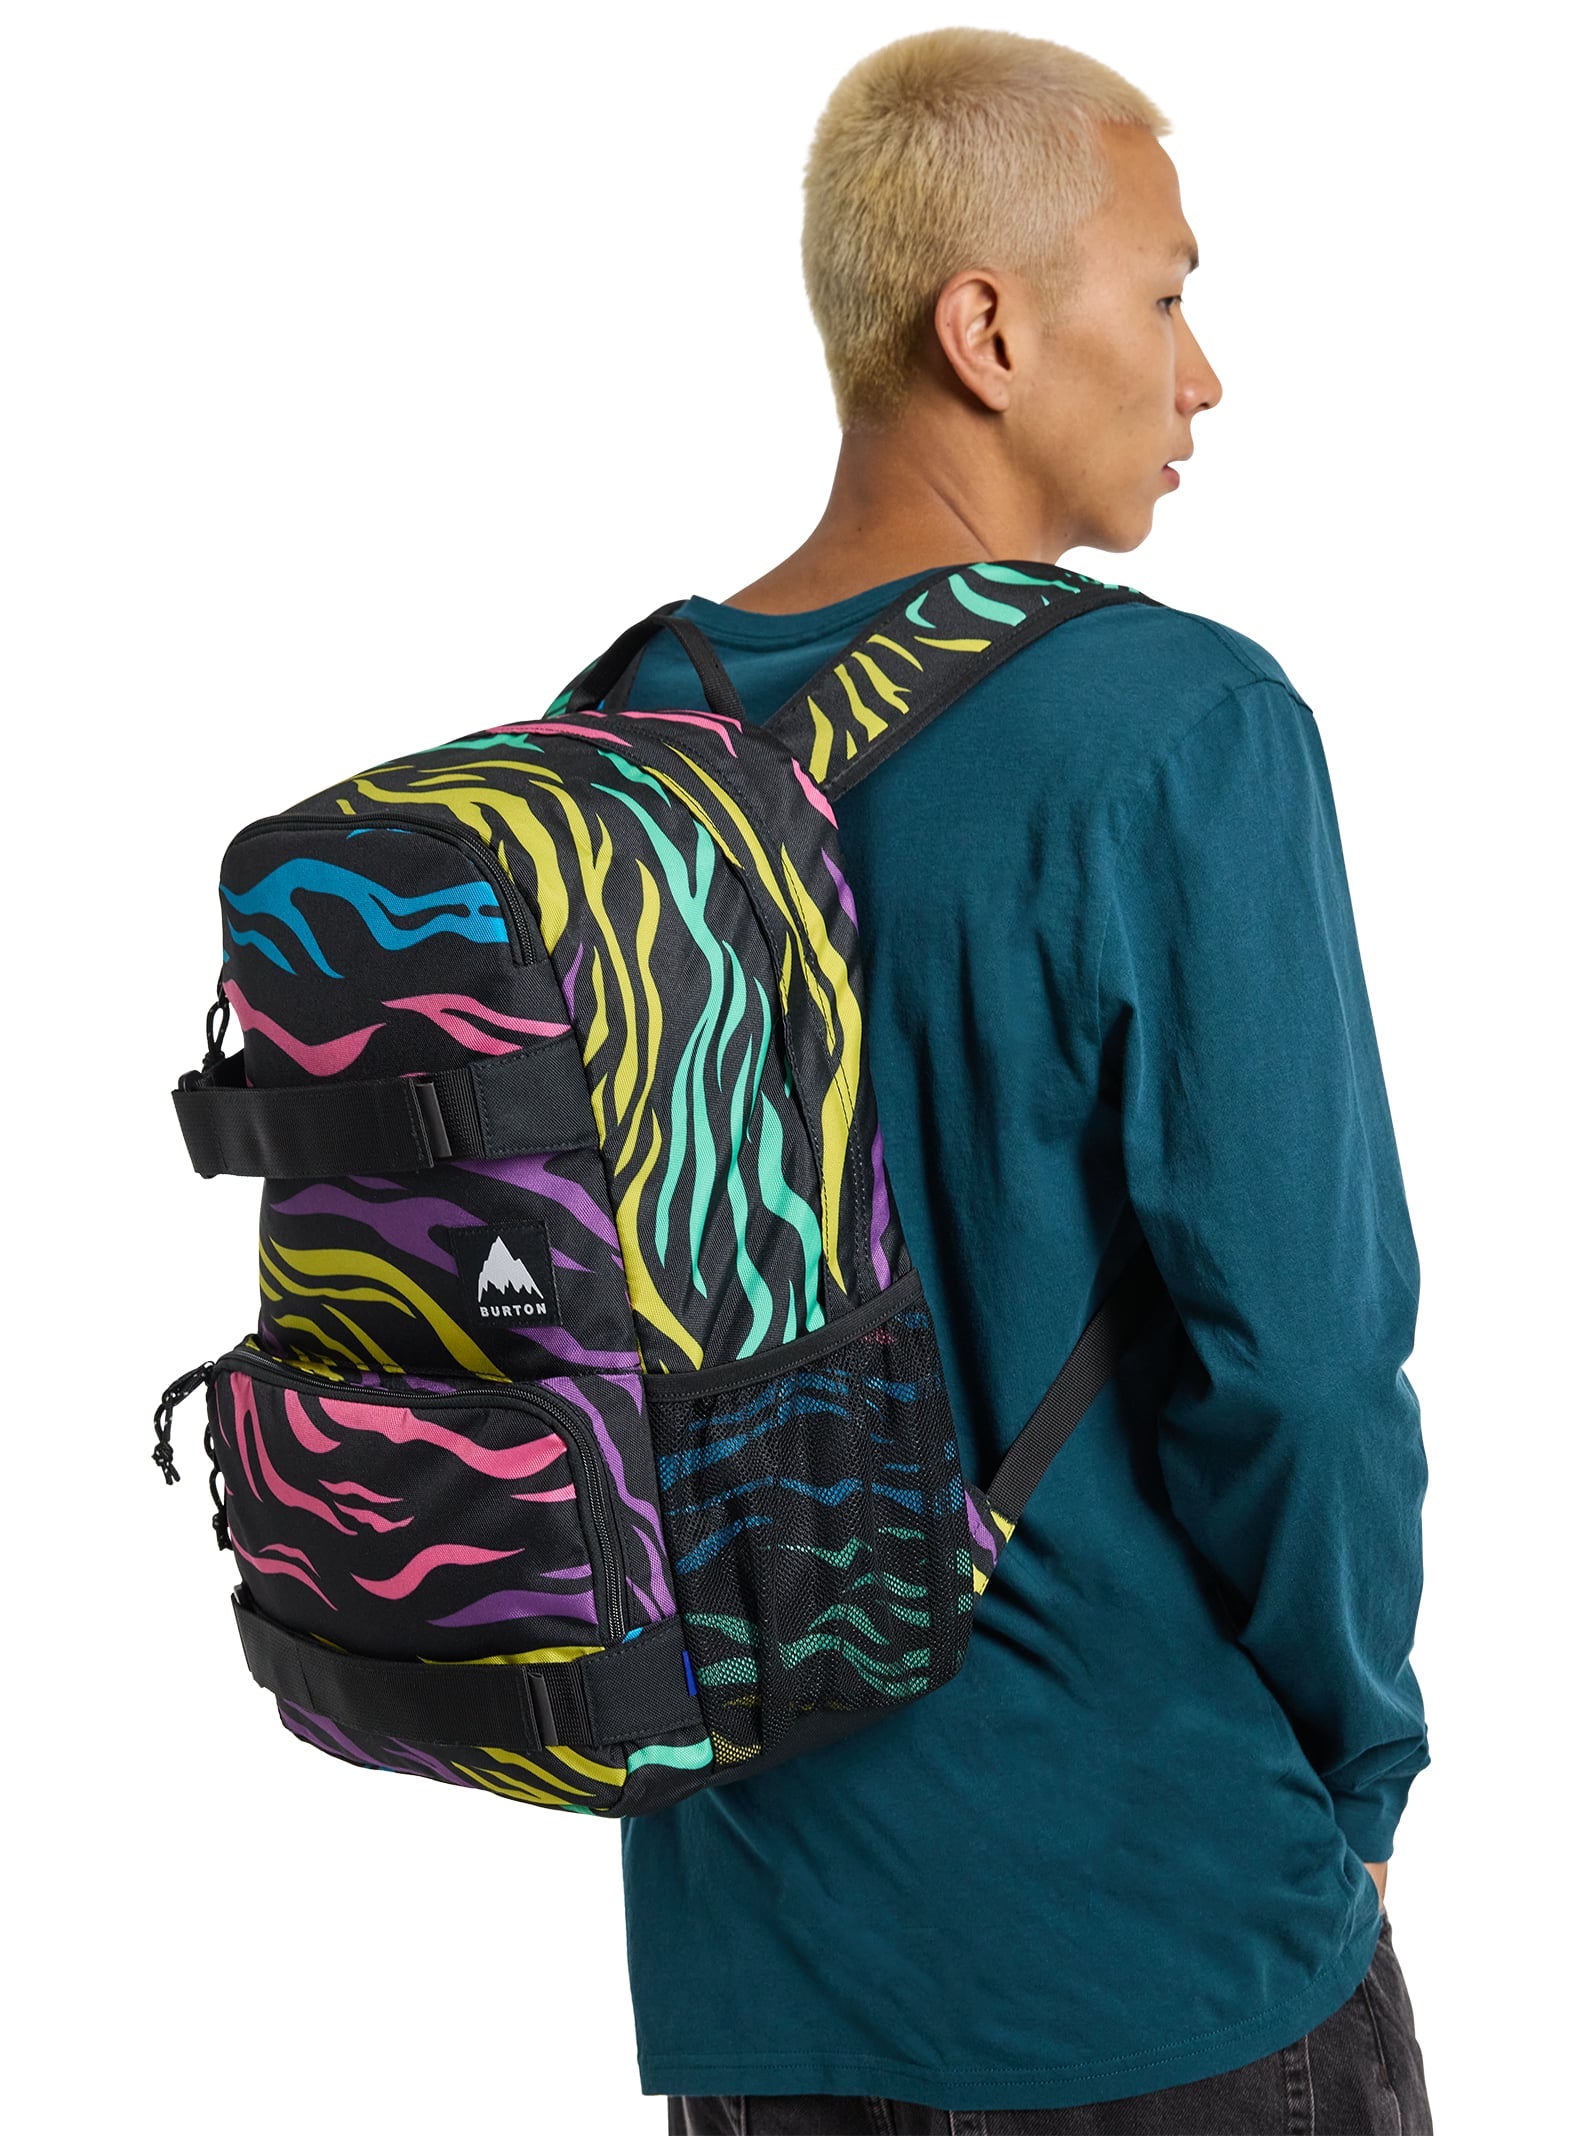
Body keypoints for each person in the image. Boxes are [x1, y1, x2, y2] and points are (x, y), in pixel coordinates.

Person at [602, 28, 1433, 2134]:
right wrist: (1356, 1776)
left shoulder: (610, 751)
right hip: (1154, 1940)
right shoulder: (1177, 725)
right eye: (1162, 295)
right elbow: (1306, 1370)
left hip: (755, 1971)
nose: (1201, 374)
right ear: (984, 329)